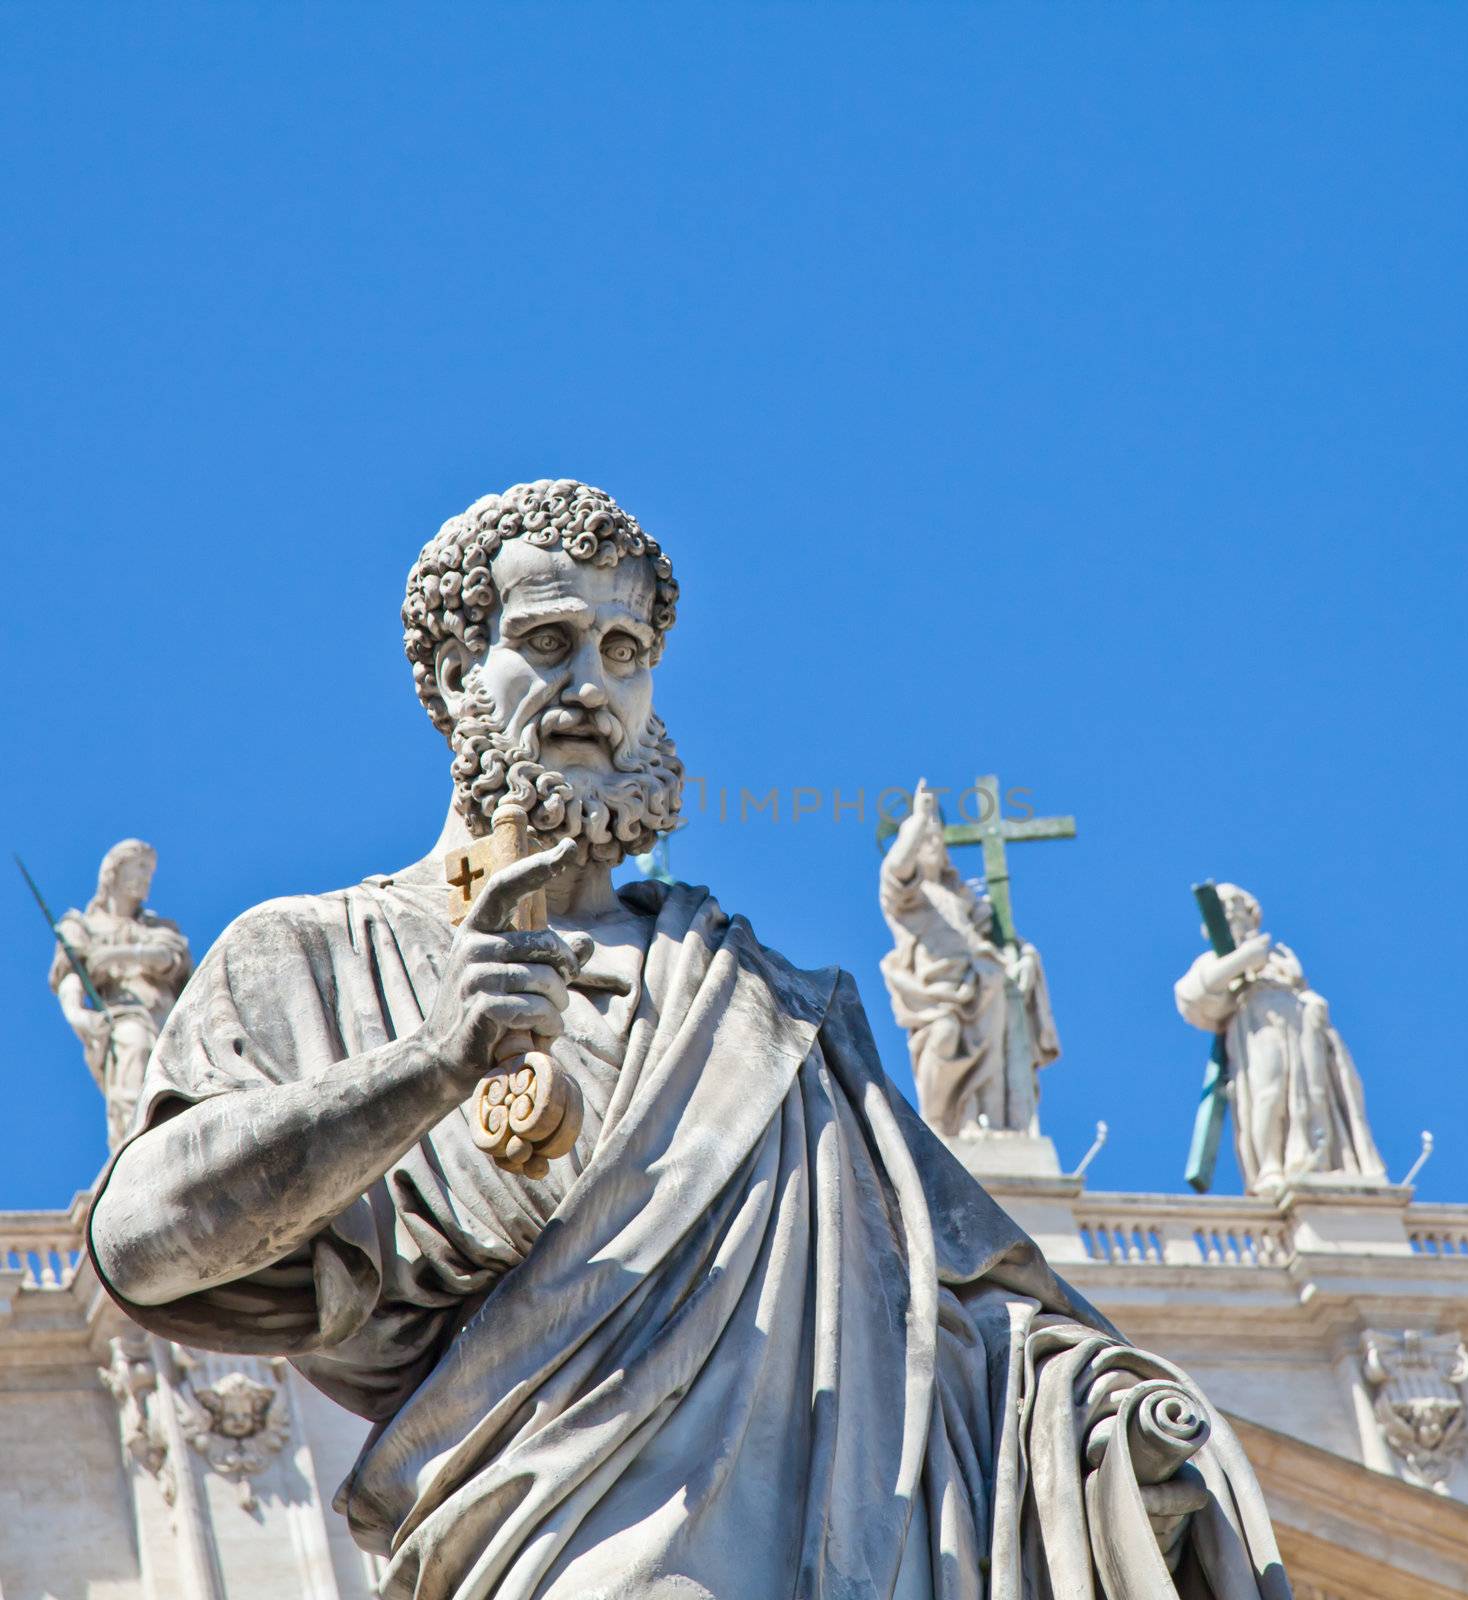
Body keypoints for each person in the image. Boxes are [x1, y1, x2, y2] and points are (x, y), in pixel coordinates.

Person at [91, 480, 1286, 1600]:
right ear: (460, 676)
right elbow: (143, 1243)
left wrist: (1103, 1428)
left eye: (626, 655)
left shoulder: (770, 1006)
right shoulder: (311, 955)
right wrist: (431, 1064)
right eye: (548, 643)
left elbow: (962, 1318)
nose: (594, 689)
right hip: (549, 1543)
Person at [1175, 883, 1386, 1195]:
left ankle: (1314, 1158)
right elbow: (1191, 996)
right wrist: (1244, 959)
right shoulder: (1217, 960)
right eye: (1227, 911)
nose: (1234, 915)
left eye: (1238, 908)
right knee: (1268, 1092)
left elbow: (1301, 990)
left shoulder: (1278, 957)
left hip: (1302, 1028)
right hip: (1258, 1027)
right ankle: (1270, 1166)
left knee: (1312, 1094)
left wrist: (1312, 1005)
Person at [879, 782, 1059, 1135]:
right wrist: (918, 820)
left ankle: (981, 1120)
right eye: (923, 840)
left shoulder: (958, 896)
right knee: (945, 1034)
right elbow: (895, 869)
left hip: (982, 985)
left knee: (992, 1048)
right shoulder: (906, 898)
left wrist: (1020, 955)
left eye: (936, 838)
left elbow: (993, 934)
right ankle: (938, 1122)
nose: (932, 844)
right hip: (937, 991)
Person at [49, 839, 192, 1149]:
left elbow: (173, 959)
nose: (145, 878)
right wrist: (77, 1015)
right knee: (134, 1067)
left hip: (170, 1023)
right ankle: (134, 1155)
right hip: (125, 1017)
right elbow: (71, 975)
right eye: (138, 869)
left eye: (149, 872)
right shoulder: (82, 925)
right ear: (114, 872)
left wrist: (120, 955)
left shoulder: (160, 927)